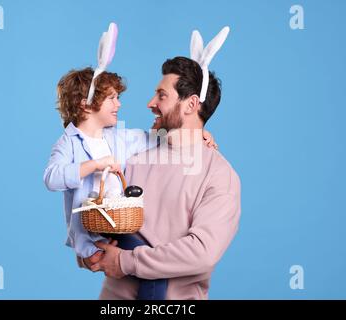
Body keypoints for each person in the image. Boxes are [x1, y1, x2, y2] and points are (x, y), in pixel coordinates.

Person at [44, 66, 217, 299]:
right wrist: (95, 165)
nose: (119, 104)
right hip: (96, 230)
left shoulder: (117, 138)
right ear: (85, 104)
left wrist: (198, 134)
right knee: (153, 270)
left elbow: (154, 138)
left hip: (117, 224)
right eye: (112, 98)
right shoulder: (68, 143)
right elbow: (52, 178)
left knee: (149, 268)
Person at [83, 56, 241, 300]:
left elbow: (202, 252)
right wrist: (88, 252)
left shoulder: (219, 176)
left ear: (190, 105)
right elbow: (104, 220)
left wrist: (126, 262)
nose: (150, 103)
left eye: (162, 95)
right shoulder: (133, 158)